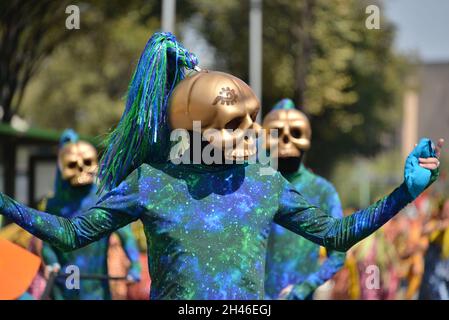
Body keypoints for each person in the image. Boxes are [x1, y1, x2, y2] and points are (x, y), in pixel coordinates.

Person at [0, 32, 443, 300]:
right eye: (236, 123)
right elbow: (73, 233)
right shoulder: (152, 182)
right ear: (192, 131)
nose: (254, 132)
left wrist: (405, 192)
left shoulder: (264, 182)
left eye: (254, 118)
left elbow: (336, 234)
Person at [39, 129, 141, 300]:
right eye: (72, 165)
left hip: (97, 289)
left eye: (87, 162)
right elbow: (47, 242)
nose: (80, 168)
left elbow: (126, 236)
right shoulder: (55, 204)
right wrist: (51, 262)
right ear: (63, 169)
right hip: (64, 288)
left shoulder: (104, 198)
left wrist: (135, 265)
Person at [263, 99, 345, 300]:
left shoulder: (322, 191)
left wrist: (305, 287)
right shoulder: (255, 186)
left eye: (295, 134)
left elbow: (338, 253)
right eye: (276, 133)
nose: (285, 141)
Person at [419, 197, 449, 299]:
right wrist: (440, 225)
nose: (447, 211)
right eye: (445, 208)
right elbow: (424, 231)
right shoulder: (436, 223)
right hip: (435, 274)